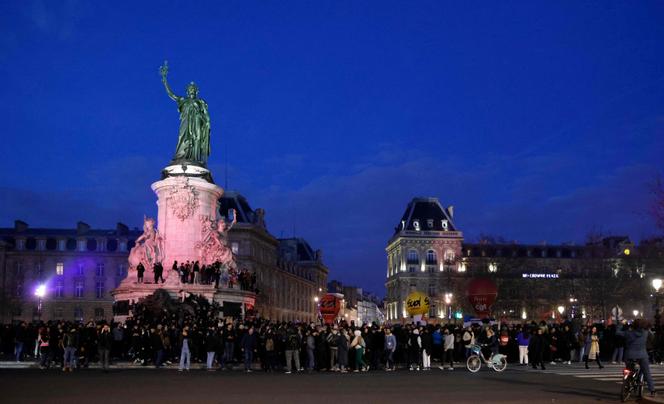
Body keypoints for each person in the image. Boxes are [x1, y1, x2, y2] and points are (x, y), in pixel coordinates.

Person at [617, 319, 656, 397]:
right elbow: (653, 338)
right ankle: (652, 390)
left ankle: (628, 382)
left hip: (629, 355)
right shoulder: (646, 333)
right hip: (642, 355)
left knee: (628, 370)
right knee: (646, 372)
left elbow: (617, 332)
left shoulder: (628, 333)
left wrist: (620, 325)